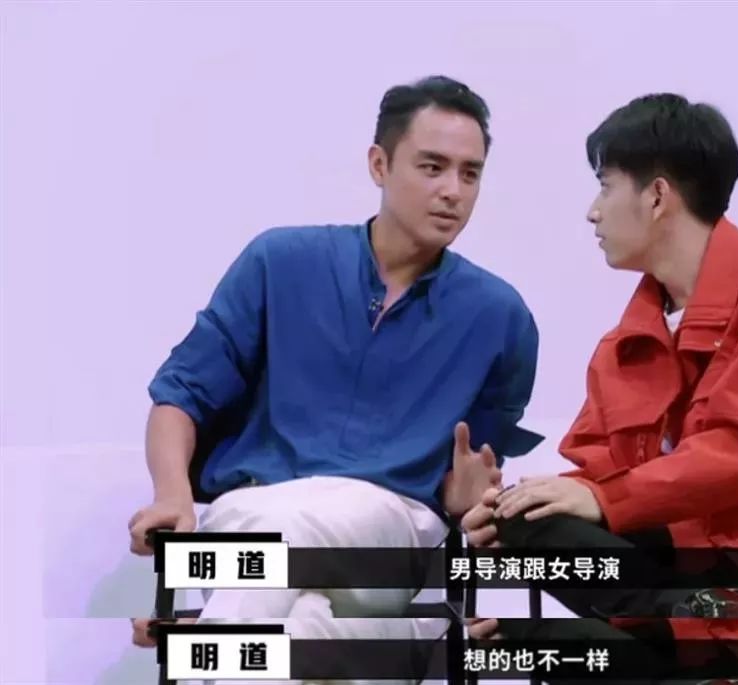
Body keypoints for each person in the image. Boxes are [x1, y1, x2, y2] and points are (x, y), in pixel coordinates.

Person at [462, 93, 738, 684]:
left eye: (605, 187)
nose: (593, 212)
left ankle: (695, 625)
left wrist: (605, 500)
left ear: (657, 196)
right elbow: (600, 472)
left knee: (568, 613)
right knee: (527, 538)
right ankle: (689, 625)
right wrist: (515, 509)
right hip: (688, 563)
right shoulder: (625, 343)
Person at [126, 75, 543, 681]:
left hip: (390, 529)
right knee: (308, 625)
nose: (452, 191)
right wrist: (171, 495)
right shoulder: (279, 262)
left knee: (277, 539)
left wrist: (466, 498)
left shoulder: (500, 317)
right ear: (379, 164)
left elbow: (472, 476)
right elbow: (182, 393)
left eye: (470, 173)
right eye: (432, 167)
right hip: (251, 511)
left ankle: (210, 643)